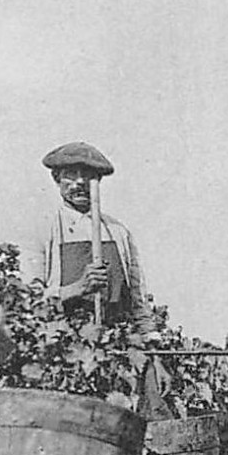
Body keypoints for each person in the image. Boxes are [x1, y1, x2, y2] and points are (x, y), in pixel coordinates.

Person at [33, 141, 155, 331]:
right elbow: (32, 304)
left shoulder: (117, 231)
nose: (80, 182)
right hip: (62, 342)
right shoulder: (42, 231)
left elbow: (138, 299)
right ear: (57, 179)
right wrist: (78, 288)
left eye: (88, 176)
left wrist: (149, 335)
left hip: (116, 342)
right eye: (71, 175)